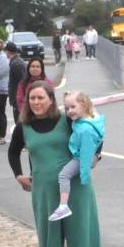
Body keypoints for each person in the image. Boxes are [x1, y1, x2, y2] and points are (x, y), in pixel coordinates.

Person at [9, 81, 104, 247]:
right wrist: (18, 175)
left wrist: (95, 157)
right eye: (32, 98)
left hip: (76, 190)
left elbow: (94, 135)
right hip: (43, 192)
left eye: (41, 98)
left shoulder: (68, 120)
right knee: (49, 239)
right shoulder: (23, 126)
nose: (36, 102)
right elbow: (13, 152)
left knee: (79, 236)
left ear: (51, 99)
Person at [49, 91, 104, 223]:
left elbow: (86, 154)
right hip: (79, 155)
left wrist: (84, 175)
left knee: (63, 176)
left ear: (84, 106)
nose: (69, 111)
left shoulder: (85, 129)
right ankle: (63, 205)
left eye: (73, 107)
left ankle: (63, 206)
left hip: (79, 159)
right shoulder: (86, 120)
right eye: (67, 108)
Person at [5, 41, 26, 126]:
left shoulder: (16, 64)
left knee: (19, 122)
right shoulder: (15, 62)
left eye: (5, 51)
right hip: (17, 98)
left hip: (18, 99)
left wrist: (16, 99)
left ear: (8, 52)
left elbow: (22, 82)